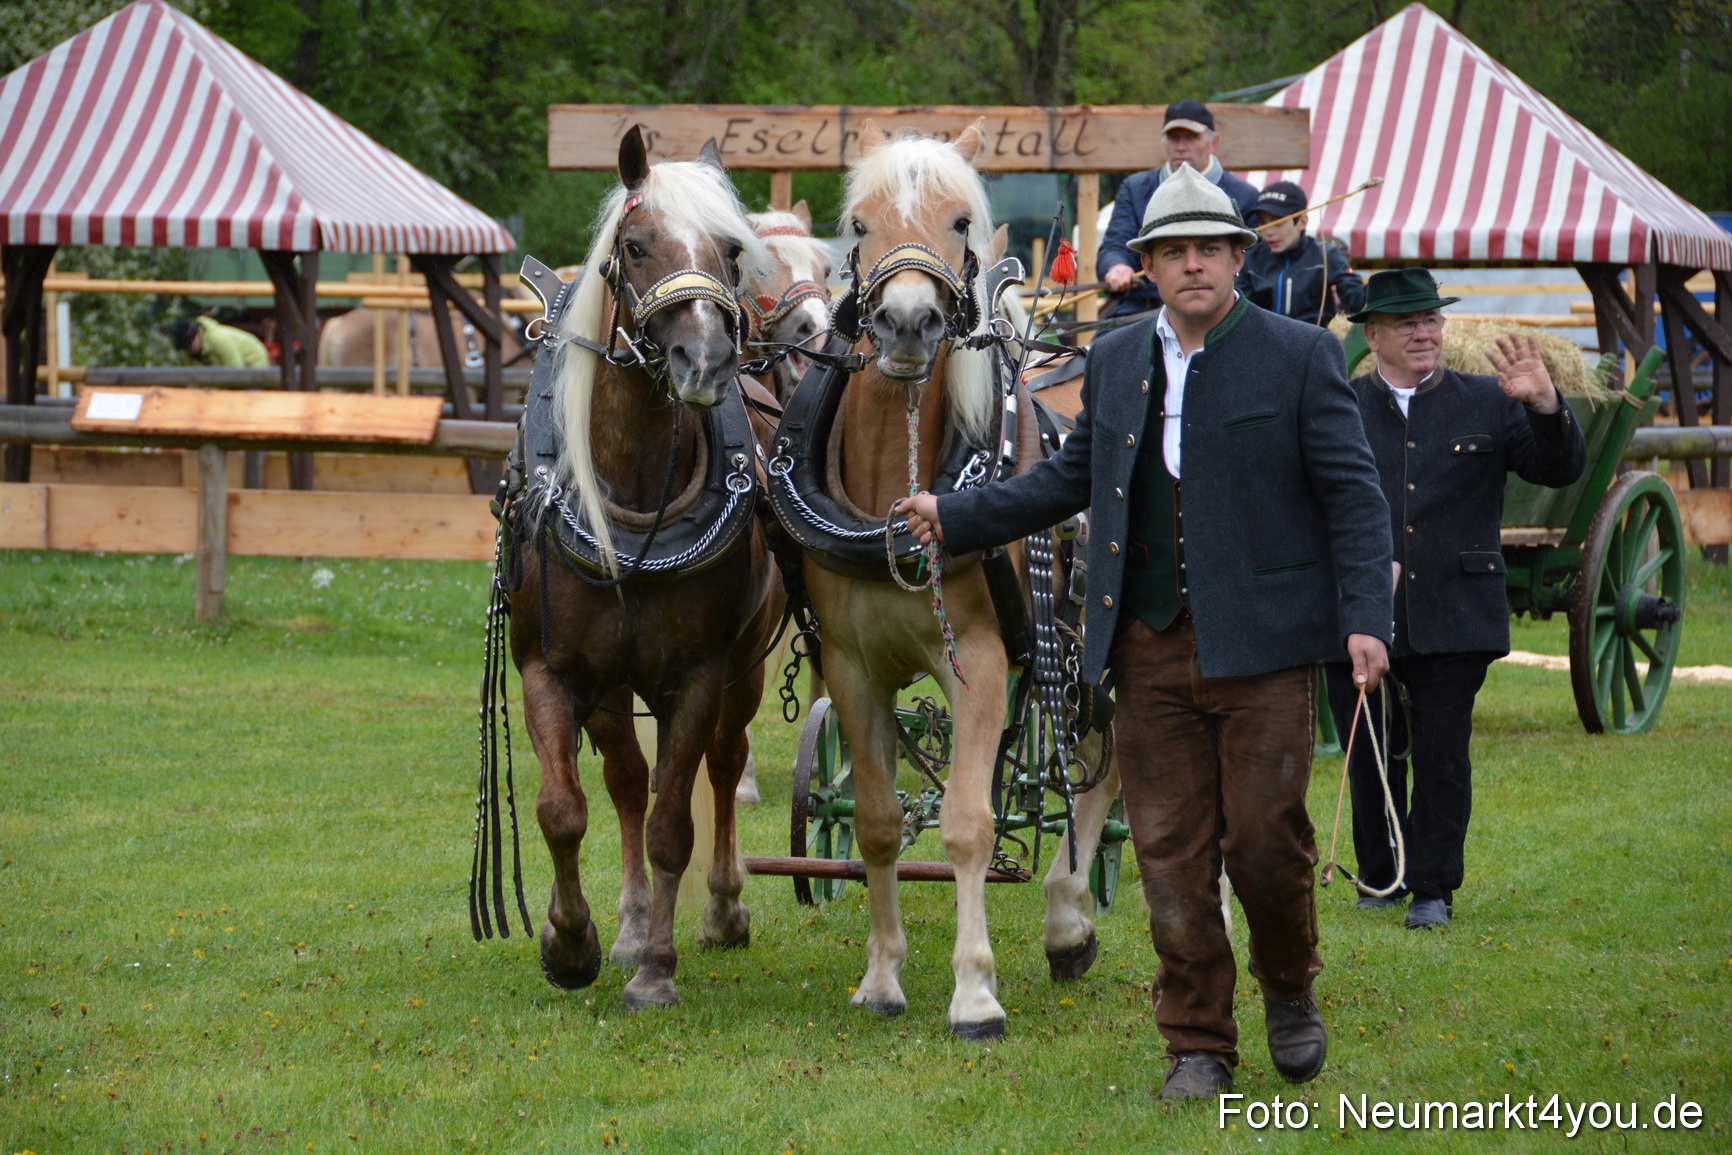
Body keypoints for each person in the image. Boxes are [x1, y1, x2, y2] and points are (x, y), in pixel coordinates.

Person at [897, 165, 1393, 1100]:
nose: (1194, 264)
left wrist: (1366, 619)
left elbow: (1355, 499)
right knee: (1169, 855)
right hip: (1147, 646)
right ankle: (1198, 1043)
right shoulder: (1118, 361)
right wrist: (954, 515)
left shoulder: (1299, 356)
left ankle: (1288, 989)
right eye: (1175, 251)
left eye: (1212, 247)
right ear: (1151, 265)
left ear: (1240, 259)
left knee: (1263, 844)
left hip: (1268, 650)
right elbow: (1063, 482)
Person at [1325, 269, 1586, 930]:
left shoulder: (1489, 401)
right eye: (1408, 322)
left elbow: (1558, 467)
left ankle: (1433, 887)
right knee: (1369, 750)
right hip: (1359, 609)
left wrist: (1548, 407)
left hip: (1455, 609)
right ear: (1374, 334)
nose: (1424, 332)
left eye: (1432, 320)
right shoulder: (1340, 406)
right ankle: (1380, 874)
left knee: (1443, 750)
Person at [1096, 99, 1260, 320]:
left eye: (1192, 137)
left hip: (1220, 310)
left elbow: (1253, 268)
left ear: (1214, 142)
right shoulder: (1134, 189)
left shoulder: (1245, 196)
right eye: (1174, 138)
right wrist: (1117, 266)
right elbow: (1116, 243)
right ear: (1164, 142)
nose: (1181, 146)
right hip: (1139, 307)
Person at [1237, 180, 1365, 325]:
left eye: (1277, 222)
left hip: (1314, 344)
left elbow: (1357, 301)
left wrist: (1376, 290)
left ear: (1302, 222)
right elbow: (1239, 312)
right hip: (1263, 344)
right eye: (1263, 222)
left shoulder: (1326, 254)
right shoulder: (1250, 258)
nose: (1268, 231)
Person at [169, 315, 270, 368]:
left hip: (252, 364)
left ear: (197, 335)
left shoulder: (218, 338)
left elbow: (236, 370)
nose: (188, 349)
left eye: (189, 344)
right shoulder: (191, 353)